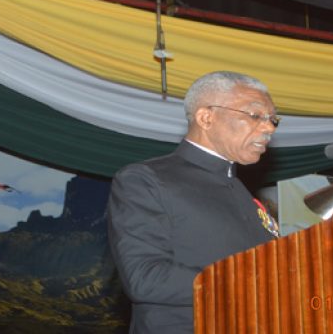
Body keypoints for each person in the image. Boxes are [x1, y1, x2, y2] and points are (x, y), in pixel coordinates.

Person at [108, 71, 281, 333]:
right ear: (206, 117)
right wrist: (251, 282)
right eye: (255, 115)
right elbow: (145, 278)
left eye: (272, 119)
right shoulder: (147, 179)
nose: (269, 128)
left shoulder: (243, 192)